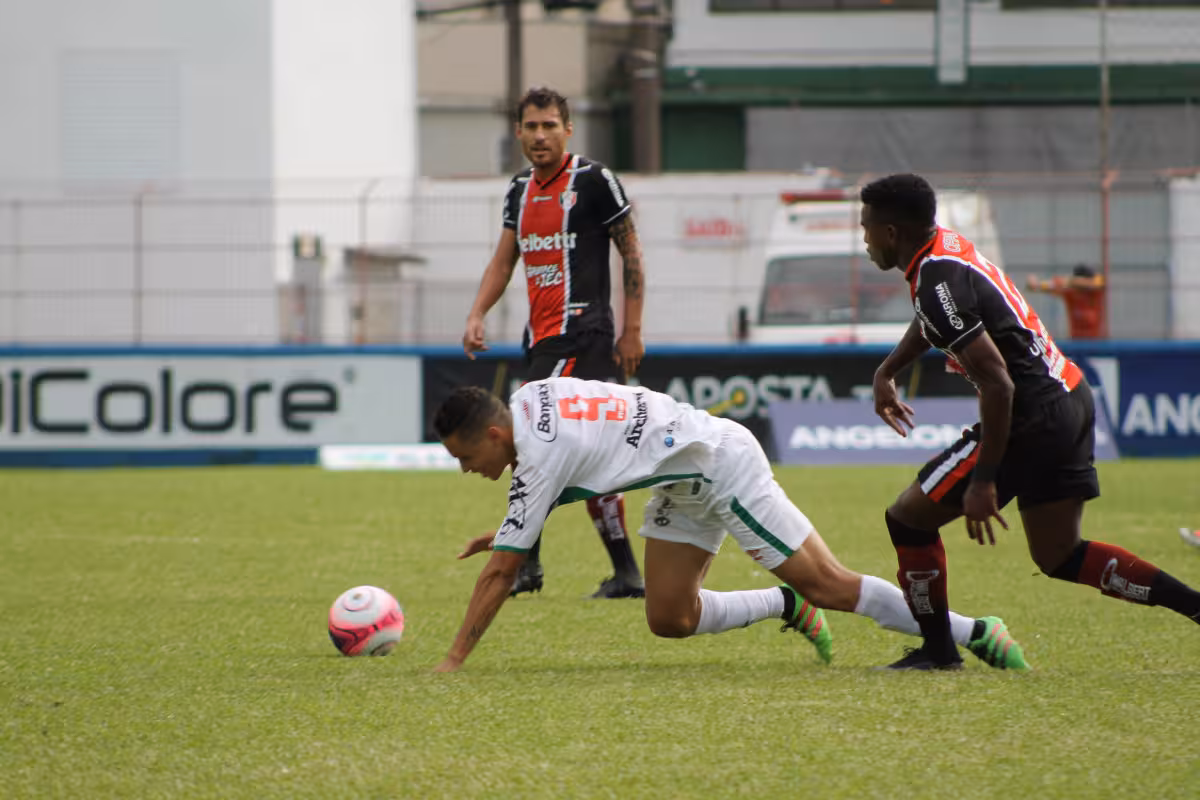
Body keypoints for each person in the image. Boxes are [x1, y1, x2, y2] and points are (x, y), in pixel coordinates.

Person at [430, 378, 1031, 673]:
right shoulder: (531, 398)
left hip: (720, 465)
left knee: (829, 583)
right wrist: (514, 526)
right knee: (669, 618)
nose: (465, 468)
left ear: (494, 434)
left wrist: (453, 662)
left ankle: (976, 631)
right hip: (680, 476)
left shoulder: (538, 453)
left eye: (466, 456)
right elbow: (582, 454)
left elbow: (502, 571)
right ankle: (782, 604)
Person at [860, 173, 1200, 670]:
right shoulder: (943, 251)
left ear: (891, 232)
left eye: (866, 228)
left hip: (1030, 415)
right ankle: (1196, 606)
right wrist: (888, 369)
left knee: (907, 520)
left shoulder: (935, 283)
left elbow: (999, 385)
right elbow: (938, 318)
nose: (864, 239)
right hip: (1071, 396)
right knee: (1059, 554)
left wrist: (984, 482)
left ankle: (938, 652)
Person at [461, 86, 646, 599]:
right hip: (544, 342)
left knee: (526, 440)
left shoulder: (594, 181)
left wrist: (632, 329)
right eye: (531, 127)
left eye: (549, 126)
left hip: (586, 336)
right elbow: (504, 260)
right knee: (586, 456)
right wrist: (477, 313)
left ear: (568, 129)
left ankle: (527, 565)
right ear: (518, 132)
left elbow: (631, 253)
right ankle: (624, 573)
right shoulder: (519, 190)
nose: (540, 135)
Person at [1025, 264, 1106, 340]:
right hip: (1076, 339)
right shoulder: (1071, 292)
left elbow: (1095, 283)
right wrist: (1037, 285)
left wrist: (1071, 282)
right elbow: (1053, 286)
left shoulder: (1095, 291)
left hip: (1095, 340)